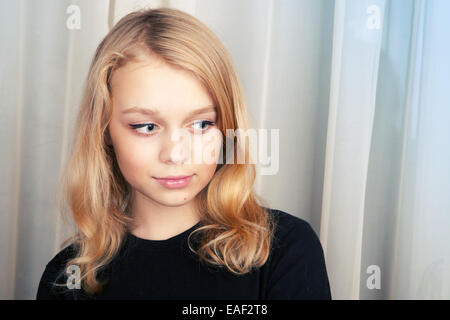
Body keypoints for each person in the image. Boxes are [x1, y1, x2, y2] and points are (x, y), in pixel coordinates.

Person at [36, 7, 331, 300]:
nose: (176, 154)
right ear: (104, 130)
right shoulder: (65, 280)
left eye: (202, 124)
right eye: (146, 126)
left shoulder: (284, 250)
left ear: (226, 125)